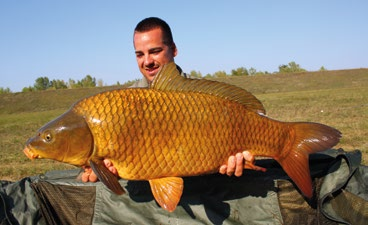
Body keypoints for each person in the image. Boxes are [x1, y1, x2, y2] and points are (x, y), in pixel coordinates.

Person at [81, 17, 253, 183]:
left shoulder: (202, 94)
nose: (147, 61)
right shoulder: (122, 103)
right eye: (140, 55)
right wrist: (104, 171)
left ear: (174, 49)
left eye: (155, 51)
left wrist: (238, 159)